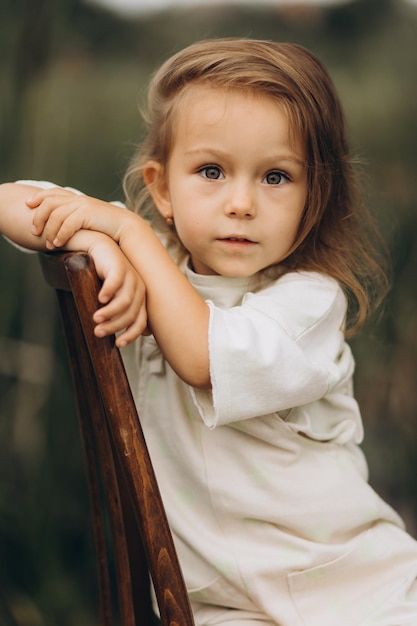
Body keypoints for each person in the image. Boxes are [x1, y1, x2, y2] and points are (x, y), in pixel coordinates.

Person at [1, 38, 417, 626]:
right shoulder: (150, 262)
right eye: (212, 171)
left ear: (314, 197)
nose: (241, 203)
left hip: (349, 588)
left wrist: (129, 235)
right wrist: (94, 241)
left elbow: (202, 356)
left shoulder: (308, 303)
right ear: (163, 188)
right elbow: (10, 200)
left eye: (276, 177)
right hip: (216, 604)